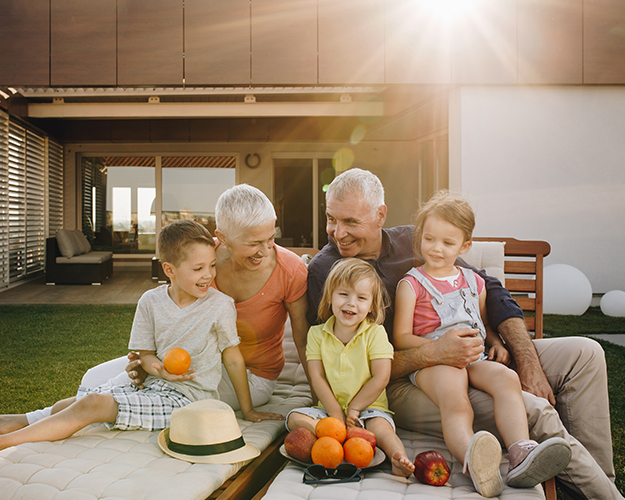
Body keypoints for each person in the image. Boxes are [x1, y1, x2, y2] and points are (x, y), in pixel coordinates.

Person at [304, 168, 621, 500]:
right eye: (331, 219)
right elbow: (351, 361)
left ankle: (596, 484)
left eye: (350, 222)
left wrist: (525, 360)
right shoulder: (327, 273)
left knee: (586, 353)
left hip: (473, 356)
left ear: (380, 215)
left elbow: (491, 292)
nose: (337, 233)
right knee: (531, 408)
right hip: (401, 382)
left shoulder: (418, 240)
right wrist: (434, 353)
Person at [0, 185, 308, 433]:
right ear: (222, 238)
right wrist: (149, 362)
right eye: (254, 243)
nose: (266, 250)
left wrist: (320, 401)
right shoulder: (198, 262)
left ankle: (31, 423)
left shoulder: (289, 270)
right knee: (95, 379)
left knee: (111, 394)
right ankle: (28, 419)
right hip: (177, 364)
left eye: (271, 238)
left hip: (248, 377)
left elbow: (303, 339)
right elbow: (170, 316)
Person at [393, 191, 571, 496]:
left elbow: (482, 322)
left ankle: (520, 452)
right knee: (457, 402)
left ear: (464, 246)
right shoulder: (411, 284)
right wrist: (437, 349)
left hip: (474, 357)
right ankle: (474, 459)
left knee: (507, 378)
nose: (436, 248)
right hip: (434, 360)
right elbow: (400, 338)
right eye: (430, 239)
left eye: (447, 243)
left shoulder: (473, 282)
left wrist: (494, 341)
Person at [287, 258, 415, 477]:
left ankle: (397, 457)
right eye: (343, 294)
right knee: (293, 418)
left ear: (372, 305)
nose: (351, 303)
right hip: (328, 411)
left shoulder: (375, 333)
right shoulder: (316, 334)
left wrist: (355, 408)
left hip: (368, 410)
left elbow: (381, 377)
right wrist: (335, 413)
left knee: (382, 429)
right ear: (330, 297)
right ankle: (340, 444)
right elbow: (316, 376)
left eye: (361, 298)